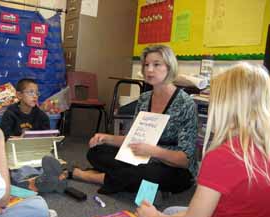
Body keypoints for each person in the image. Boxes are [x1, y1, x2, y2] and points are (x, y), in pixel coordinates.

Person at [136, 62, 270, 217]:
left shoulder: (222, 157)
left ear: (224, 107)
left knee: (164, 214)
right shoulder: (263, 147)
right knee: (172, 211)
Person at [70, 45, 198, 194]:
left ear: (170, 67)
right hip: (141, 157)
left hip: (173, 167)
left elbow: (185, 160)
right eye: (146, 65)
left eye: (156, 64)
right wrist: (107, 138)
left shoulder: (185, 104)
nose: (149, 70)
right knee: (96, 152)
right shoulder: (144, 99)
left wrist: (154, 151)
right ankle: (132, 180)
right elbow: (133, 139)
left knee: (145, 174)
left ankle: (90, 176)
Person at [0, 65, 53, 217]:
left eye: (37, 92)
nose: (35, 96)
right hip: (13, 154)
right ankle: (33, 180)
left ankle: (41, 178)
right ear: (19, 95)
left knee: (44, 162)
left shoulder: (41, 115)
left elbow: (47, 136)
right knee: (39, 206)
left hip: (33, 153)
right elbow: (1, 201)